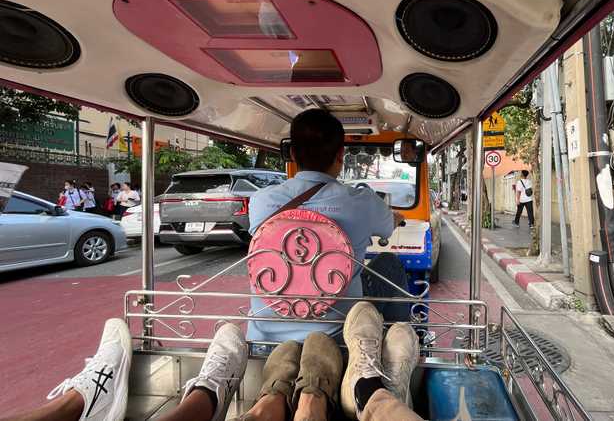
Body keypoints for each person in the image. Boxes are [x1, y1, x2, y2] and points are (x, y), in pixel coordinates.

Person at [3, 302, 422, 421]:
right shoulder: (360, 199)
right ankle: (367, 393)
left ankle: (260, 398)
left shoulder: (263, 200)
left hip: (269, 331)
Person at [247, 109, 408, 345]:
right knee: (389, 264)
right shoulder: (362, 202)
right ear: (341, 155)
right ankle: (394, 345)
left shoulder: (261, 200)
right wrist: (394, 217)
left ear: (292, 153)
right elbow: (387, 228)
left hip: (264, 337)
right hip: (337, 337)